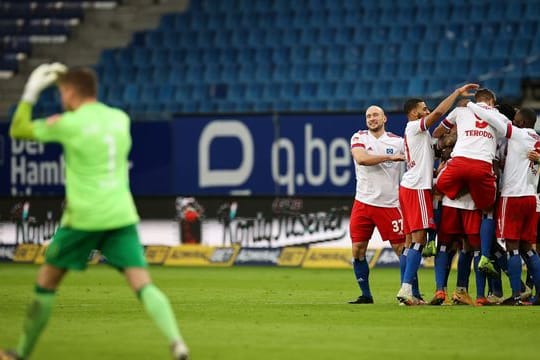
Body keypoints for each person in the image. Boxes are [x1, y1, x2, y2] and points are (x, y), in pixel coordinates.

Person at [0, 64, 189, 359]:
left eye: (62, 91)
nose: (61, 97)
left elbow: (18, 130)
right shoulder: (120, 119)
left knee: (47, 281)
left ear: (71, 92)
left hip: (84, 217)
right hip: (120, 214)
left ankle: (20, 353)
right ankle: (177, 342)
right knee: (142, 283)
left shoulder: (69, 123)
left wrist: (29, 94)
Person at [396, 84, 478, 305]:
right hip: (416, 189)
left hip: (409, 186)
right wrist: (456, 94)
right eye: (423, 108)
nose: (427, 110)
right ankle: (406, 289)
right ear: (414, 112)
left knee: (409, 241)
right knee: (418, 241)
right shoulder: (415, 126)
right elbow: (439, 114)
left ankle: (408, 291)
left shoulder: (416, 133)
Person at [467, 102, 540, 305]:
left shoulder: (519, 134)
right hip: (532, 198)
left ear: (523, 122)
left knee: (513, 248)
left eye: (516, 121)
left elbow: (495, 120)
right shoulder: (537, 139)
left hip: (513, 197)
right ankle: (538, 294)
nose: (513, 123)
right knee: (528, 249)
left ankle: (516, 295)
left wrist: (473, 105)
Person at [433, 89, 500, 277]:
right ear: (492, 102)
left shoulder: (460, 112)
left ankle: (431, 238)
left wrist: (449, 134)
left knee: (436, 190)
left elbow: (437, 132)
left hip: (458, 169)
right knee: (488, 209)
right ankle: (485, 265)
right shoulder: (497, 117)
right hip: (481, 174)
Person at [348, 105, 406, 304]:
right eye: (368, 116)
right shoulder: (359, 137)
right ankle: (366, 295)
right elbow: (361, 159)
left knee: (401, 250)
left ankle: (409, 292)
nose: (372, 118)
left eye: (375, 115)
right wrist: (389, 157)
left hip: (389, 204)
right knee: (357, 250)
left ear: (385, 118)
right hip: (363, 203)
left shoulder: (398, 142)